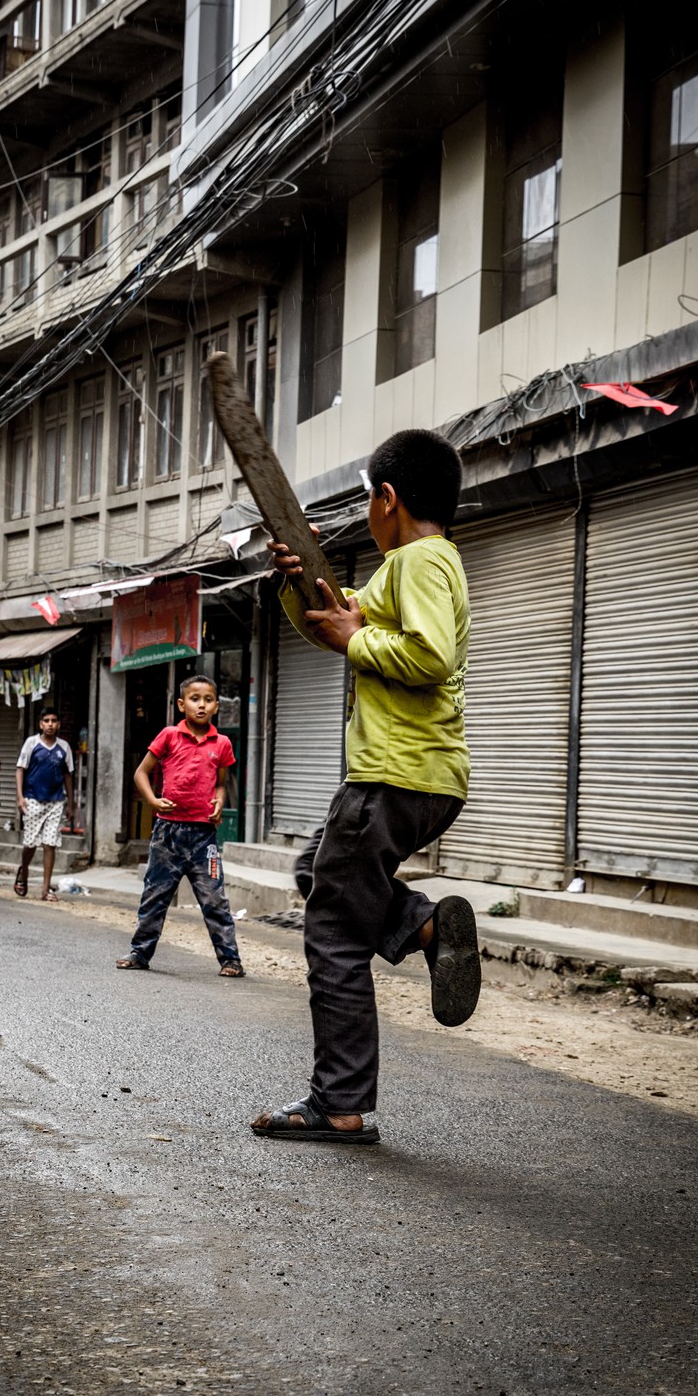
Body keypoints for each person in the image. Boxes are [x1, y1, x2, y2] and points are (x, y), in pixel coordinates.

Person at [251, 429, 480, 1145]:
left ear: (386, 499)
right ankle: (420, 923)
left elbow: (429, 655)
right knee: (315, 873)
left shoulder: (419, 562)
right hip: (415, 777)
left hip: (393, 774)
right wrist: (297, 578)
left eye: (367, 500)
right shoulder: (411, 567)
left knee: (334, 931)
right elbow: (332, 616)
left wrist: (355, 638)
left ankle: (338, 1104)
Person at [117, 675, 245, 977]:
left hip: (205, 837)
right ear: (181, 704)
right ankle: (140, 952)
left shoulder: (222, 744)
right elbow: (140, 773)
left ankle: (231, 960)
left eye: (208, 699)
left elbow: (221, 785)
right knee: (155, 895)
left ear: (216, 706)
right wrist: (153, 800)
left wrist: (218, 802)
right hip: (168, 834)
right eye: (194, 699)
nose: (201, 705)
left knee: (215, 899)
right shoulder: (169, 736)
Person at [14, 708, 74, 903]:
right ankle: (24, 872)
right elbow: (20, 770)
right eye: (46, 720)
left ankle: (45, 889)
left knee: (50, 843)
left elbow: (68, 776)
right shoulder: (32, 743)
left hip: (56, 802)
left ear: (58, 724)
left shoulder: (64, 747)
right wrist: (20, 797)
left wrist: (71, 804)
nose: (50, 724)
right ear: (41, 724)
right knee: (30, 843)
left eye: (54, 721)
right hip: (32, 799)